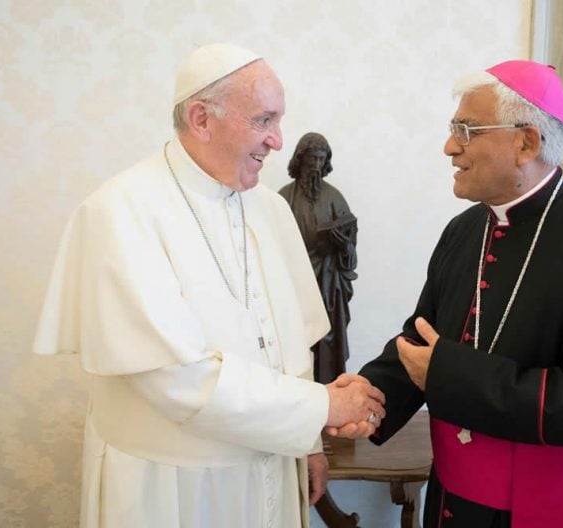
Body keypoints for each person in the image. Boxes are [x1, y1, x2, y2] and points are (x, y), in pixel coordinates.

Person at [33, 43, 385, 528]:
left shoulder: (270, 208)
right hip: (172, 489)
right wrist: (325, 405)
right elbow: (177, 379)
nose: (278, 141)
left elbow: (291, 349)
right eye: (264, 120)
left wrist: (308, 446)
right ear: (201, 119)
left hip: (272, 467)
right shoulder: (118, 212)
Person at [352, 60, 563, 527]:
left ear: (526, 143)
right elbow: (421, 340)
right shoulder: (464, 228)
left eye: (467, 130)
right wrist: (366, 397)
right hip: (455, 502)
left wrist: (448, 374)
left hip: (554, 502)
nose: (450, 147)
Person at [279, 132, 358, 384]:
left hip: (327, 281)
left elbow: (350, 249)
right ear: (300, 159)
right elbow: (270, 241)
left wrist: (342, 243)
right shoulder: (283, 198)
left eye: (320, 159)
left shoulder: (334, 197)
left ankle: (328, 391)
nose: (315, 165)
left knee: (327, 337)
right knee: (295, 338)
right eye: (311, 158)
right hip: (292, 282)